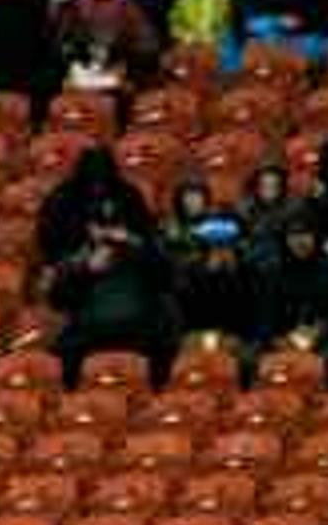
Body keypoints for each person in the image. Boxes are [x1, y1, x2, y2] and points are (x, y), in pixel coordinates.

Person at [48, 218, 181, 388]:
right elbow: (57, 301)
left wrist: (137, 244)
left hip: (141, 341)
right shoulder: (77, 260)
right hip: (89, 343)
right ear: (91, 229)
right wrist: (86, 271)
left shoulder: (144, 256)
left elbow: (171, 281)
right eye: (101, 227)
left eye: (115, 227)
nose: (109, 233)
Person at [260, 217, 328, 380]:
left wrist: (319, 330)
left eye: (305, 235)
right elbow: (265, 311)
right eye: (294, 235)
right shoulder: (273, 270)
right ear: (286, 239)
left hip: (325, 336)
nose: (300, 241)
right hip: (284, 336)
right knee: (258, 358)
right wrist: (278, 338)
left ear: (315, 237)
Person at [174, 213, 266, 379]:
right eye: (216, 245)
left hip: (237, 337)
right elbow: (187, 310)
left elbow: (253, 311)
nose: (221, 250)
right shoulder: (190, 271)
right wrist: (209, 275)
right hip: (198, 336)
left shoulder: (249, 272)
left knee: (247, 361)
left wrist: (232, 275)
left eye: (226, 245)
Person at [34, 145, 156, 269]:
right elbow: (50, 237)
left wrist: (121, 237)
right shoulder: (63, 196)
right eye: (92, 178)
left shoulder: (127, 194)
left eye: (102, 179)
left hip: (124, 258)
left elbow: (144, 233)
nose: (97, 186)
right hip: (72, 259)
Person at [48, 0, 164, 91]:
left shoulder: (127, 7)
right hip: (81, 65)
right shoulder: (76, 3)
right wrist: (71, 62)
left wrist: (126, 65)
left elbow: (147, 41)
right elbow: (61, 37)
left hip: (115, 66)